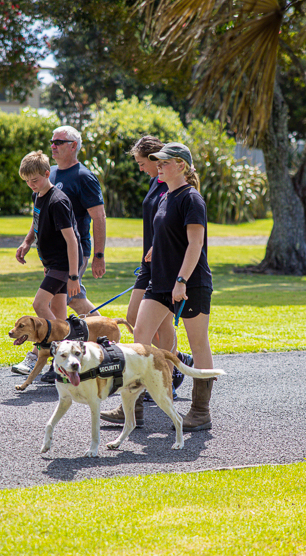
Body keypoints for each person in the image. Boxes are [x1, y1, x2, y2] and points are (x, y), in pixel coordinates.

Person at [100, 136, 189, 427]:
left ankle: (147, 390)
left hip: (161, 265)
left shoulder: (170, 185)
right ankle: (169, 376)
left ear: (156, 160)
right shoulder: (156, 184)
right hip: (150, 262)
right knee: (155, 328)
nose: (141, 169)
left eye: (142, 163)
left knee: (141, 329)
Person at [130, 142, 217, 431]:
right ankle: (134, 406)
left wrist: (181, 281)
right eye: (157, 162)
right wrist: (158, 247)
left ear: (180, 165)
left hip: (190, 284)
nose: (159, 166)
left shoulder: (192, 199)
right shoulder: (166, 195)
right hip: (160, 283)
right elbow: (171, 232)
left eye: (164, 162)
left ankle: (200, 412)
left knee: (198, 344)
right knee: (140, 337)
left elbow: (195, 244)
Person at [11, 125, 108, 378]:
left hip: (71, 255)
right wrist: (27, 242)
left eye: (59, 141)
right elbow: (37, 218)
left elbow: (97, 217)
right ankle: (74, 352)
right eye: (51, 141)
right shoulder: (46, 177)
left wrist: (97, 256)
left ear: (73, 145)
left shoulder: (83, 177)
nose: (53, 145)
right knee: (67, 304)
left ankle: (94, 342)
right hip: (54, 257)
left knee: (50, 304)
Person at [14, 150, 82, 328]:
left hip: (63, 264)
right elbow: (36, 219)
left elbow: (72, 240)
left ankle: (63, 338)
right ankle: (60, 350)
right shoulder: (37, 194)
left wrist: (74, 276)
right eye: (27, 181)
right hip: (52, 263)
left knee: (39, 304)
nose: (31, 184)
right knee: (58, 310)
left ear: (47, 173)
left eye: (34, 180)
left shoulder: (57, 202)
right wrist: (27, 242)